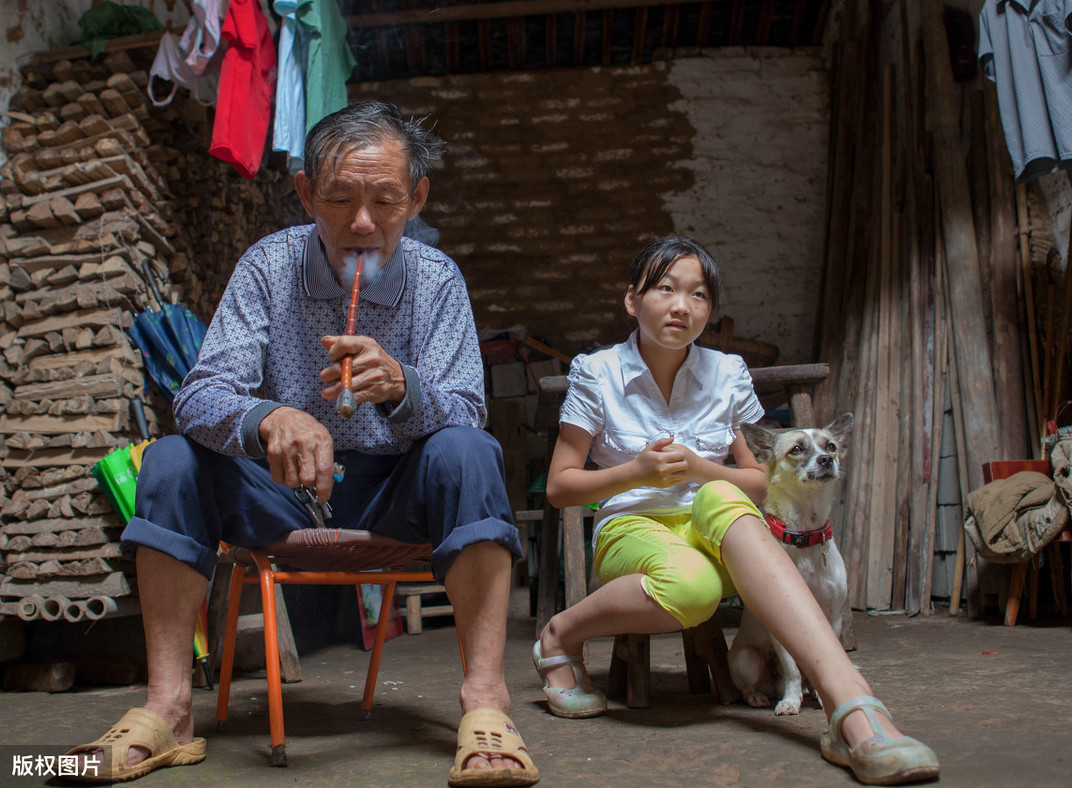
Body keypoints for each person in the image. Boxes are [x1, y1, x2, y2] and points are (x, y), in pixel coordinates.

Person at [66, 101, 539, 787]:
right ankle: (168, 709)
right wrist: (268, 419)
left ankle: (486, 702)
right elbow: (198, 395)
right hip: (281, 492)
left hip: (395, 494)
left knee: (470, 451)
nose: (363, 222)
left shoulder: (437, 280)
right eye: (341, 198)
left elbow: (467, 408)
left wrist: (406, 387)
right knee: (170, 459)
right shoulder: (269, 265)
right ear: (307, 193)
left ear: (418, 197)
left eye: (385, 200)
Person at [533, 237, 940, 785]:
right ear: (632, 300)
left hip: (714, 524)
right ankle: (559, 634)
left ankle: (853, 705)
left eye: (699, 295)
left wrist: (701, 468)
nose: (683, 306)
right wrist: (636, 472)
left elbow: (754, 479)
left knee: (723, 495)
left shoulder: (727, 372)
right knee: (692, 588)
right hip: (633, 526)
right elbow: (560, 487)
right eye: (665, 289)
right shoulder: (597, 372)